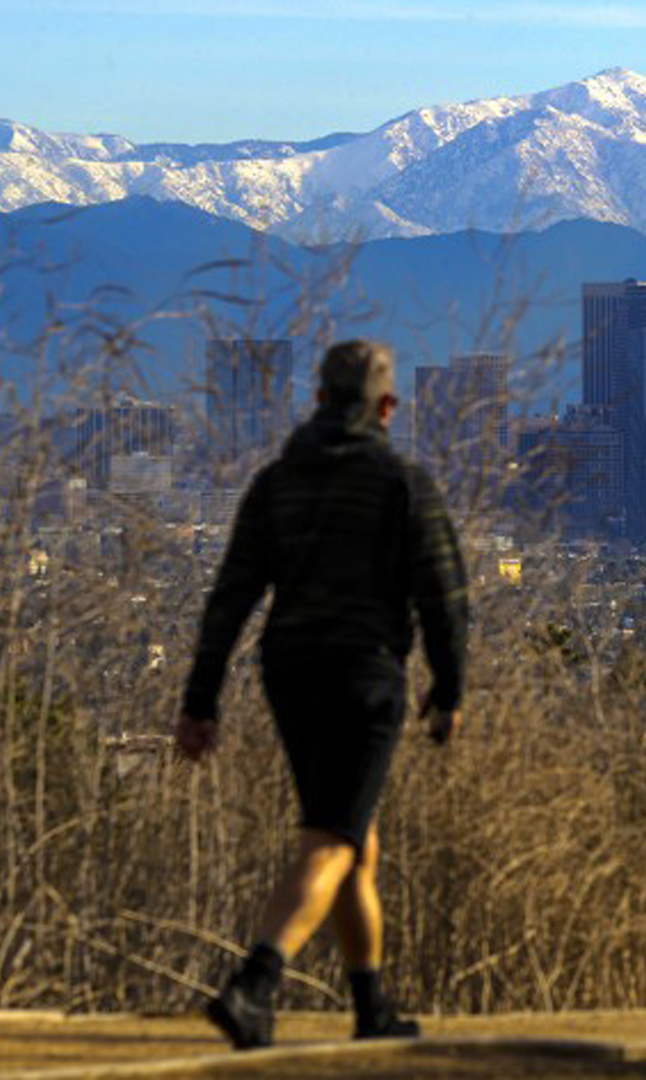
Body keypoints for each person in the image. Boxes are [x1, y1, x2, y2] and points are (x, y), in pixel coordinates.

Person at [177, 338, 468, 1050]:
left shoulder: (278, 482)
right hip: (364, 673)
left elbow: (231, 597)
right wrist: (449, 688)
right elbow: (444, 598)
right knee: (333, 837)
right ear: (387, 406)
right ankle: (254, 984)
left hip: (290, 672)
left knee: (352, 837)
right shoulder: (402, 483)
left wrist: (201, 700)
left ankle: (370, 1007)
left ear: (316, 401)